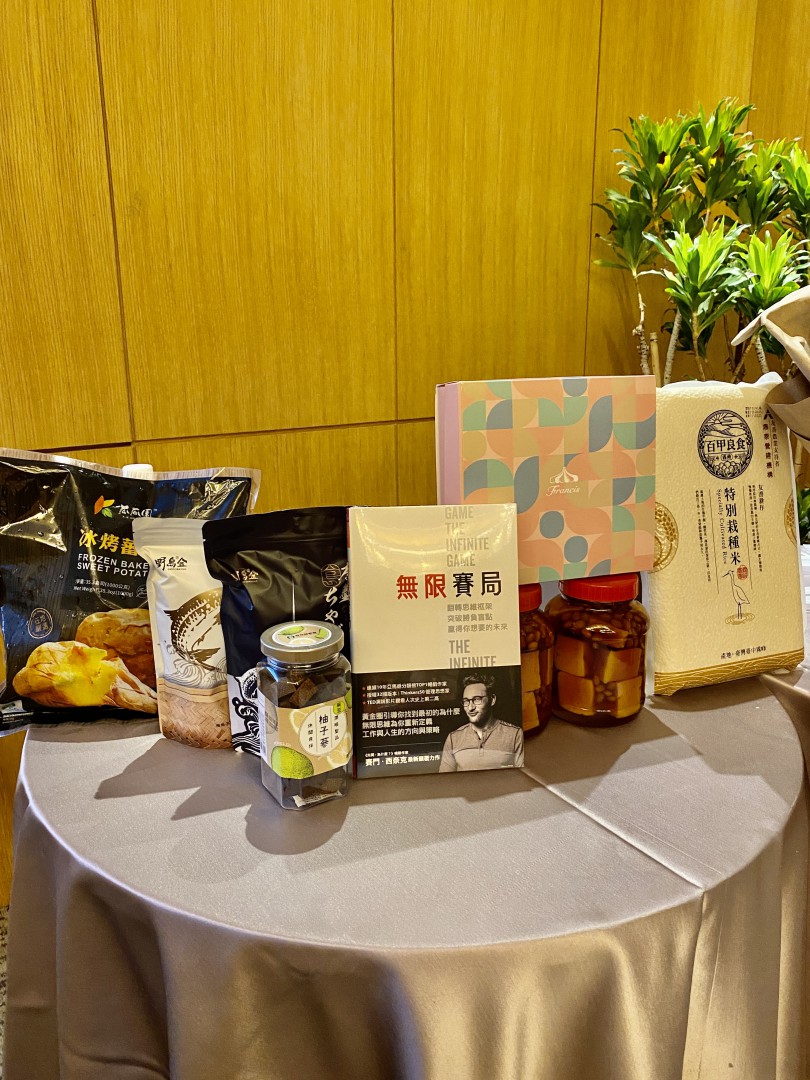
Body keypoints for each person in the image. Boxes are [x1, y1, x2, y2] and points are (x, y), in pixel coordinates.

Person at [439, 671, 524, 772]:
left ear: (492, 700)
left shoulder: (515, 734)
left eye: (476, 699)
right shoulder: (453, 738)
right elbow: (445, 779)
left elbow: (522, 777)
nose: (470, 708)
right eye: (466, 701)